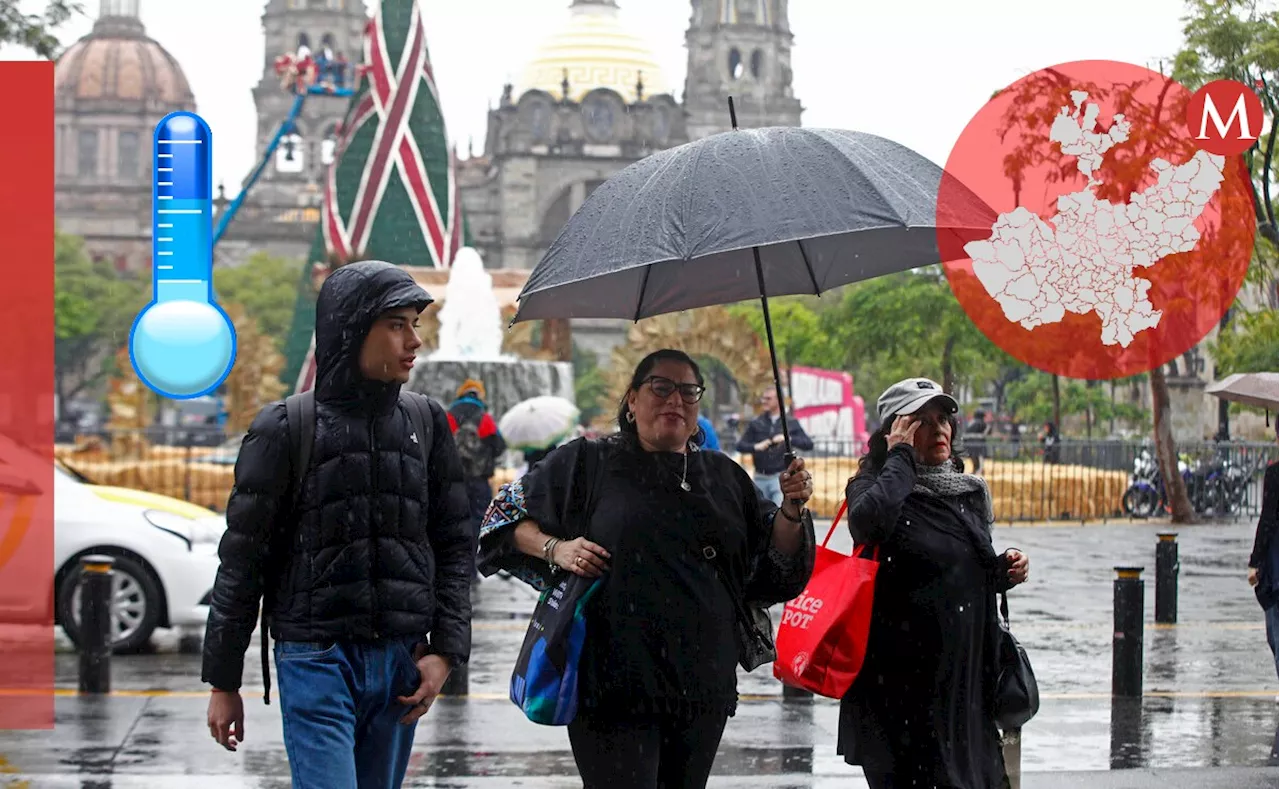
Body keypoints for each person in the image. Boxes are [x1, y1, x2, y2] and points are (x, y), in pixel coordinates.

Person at [477, 349, 816, 789]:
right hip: (612, 686)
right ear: (632, 400)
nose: (675, 398)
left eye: (688, 390)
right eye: (661, 387)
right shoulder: (587, 463)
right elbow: (501, 515)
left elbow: (776, 559)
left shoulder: (725, 476)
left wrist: (792, 509)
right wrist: (556, 548)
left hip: (702, 687)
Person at [202, 260, 475, 789]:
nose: (413, 340)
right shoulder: (284, 428)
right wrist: (223, 680)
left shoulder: (427, 421)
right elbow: (242, 561)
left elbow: (454, 545)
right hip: (315, 657)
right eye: (396, 324)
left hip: (401, 659)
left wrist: (445, 651)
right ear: (351, 330)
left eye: (414, 324)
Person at [839, 377, 1031, 789]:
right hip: (903, 694)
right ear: (895, 430)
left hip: (965, 689)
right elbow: (868, 525)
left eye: (943, 418)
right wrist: (900, 458)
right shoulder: (873, 487)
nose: (938, 428)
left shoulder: (967, 492)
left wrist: (1005, 570)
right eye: (921, 421)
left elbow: (959, 569)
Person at [736, 386, 814, 505]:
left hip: (780, 476)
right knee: (760, 515)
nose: (764, 401)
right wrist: (756, 446)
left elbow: (808, 444)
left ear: (778, 400)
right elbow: (740, 445)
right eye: (763, 398)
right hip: (760, 476)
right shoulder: (757, 422)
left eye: (768, 398)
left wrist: (787, 439)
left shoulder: (790, 422)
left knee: (778, 511)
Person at [447, 379, 507, 533]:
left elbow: (440, 444)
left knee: (454, 518)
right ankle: (477, 553)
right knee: (481, 519)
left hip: (455, 479)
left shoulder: (450, 415)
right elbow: (499, 445)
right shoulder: (484, 417)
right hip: (479, 479)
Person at [1248, 421, 1280, 678]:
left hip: (1276, 561)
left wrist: (1255, 561)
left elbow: (1267, 519)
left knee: (1276, 631)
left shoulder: (1274, 474)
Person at [965, 409, 991, 475]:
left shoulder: (971, 422)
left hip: (970, 444)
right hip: (979, 445)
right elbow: (987, 432)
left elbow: (966, 432)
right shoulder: (983, 424)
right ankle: (979, 472)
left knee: (974, 459)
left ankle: (976, 470)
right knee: (979, 458)